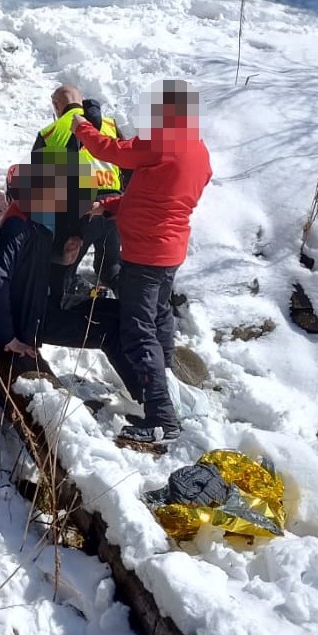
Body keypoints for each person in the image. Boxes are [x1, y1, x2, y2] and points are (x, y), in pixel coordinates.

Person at [71, 80, 212, 444]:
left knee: (137, 331)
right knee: (160, 315)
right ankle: (167, 387)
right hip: (169, 252)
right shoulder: (197, 150)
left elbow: (112, 151)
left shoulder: (164, 142)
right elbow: (161, 196)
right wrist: (115, 205)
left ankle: (161, 417)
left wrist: (80, 124)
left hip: (146, 256)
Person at [0, 156, 142, 403]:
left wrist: (62, 257)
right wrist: (8, 337)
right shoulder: (16, 225)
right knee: (109, 333)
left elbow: (32, 259)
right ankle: (149, 401)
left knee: (123, 311)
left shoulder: (33, 218)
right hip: (33, 320)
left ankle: (155, 388)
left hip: (45, 303)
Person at [33, 85, 123, 293]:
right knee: (111, 266)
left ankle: (70, 312)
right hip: (114, 206)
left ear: (56, 106)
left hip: (82, 209)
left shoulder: (50, 132)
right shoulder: (110, 125)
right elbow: (127, 163)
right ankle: (130, 309)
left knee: (62, 270)